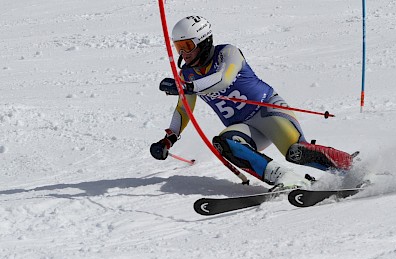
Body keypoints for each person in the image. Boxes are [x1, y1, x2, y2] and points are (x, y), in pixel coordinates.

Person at [150, 15, 354, 188]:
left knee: (295, 152)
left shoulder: (228, 53)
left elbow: (224, 79)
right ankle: (286, 179)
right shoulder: (187, 75)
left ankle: (354, 167)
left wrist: (189, 87)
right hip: (245, 127)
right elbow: (183, 110)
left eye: (187, 46)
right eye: (179, 47)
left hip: (268, 113)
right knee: (225, 143)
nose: (183, 54)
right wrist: (169, 139)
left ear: (204, 42)